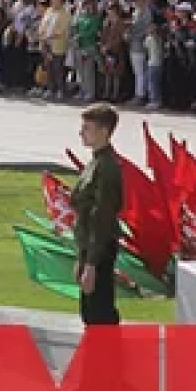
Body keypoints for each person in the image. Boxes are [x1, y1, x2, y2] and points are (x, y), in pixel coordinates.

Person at [70, 103, 124, 327]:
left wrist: (91, 263)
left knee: (99, 315)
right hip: (90, 247)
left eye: (88, 128)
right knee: (90, 313)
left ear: (104, 132)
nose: (81, 133)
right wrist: (82, 258)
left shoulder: (107, 167)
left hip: (99, 249)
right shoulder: (97, 161)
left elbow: (102, 217)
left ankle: (108, 361)